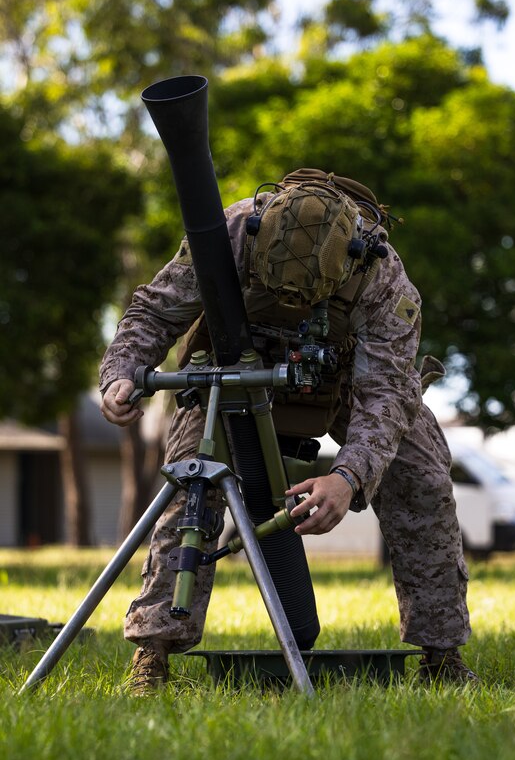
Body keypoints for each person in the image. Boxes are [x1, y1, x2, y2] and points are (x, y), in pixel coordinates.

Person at [100, 168, 479, 692]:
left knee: (422, 476)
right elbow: (155, 310)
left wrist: (347, 477)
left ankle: (443, 655)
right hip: (233, 363)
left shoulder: (383, 278)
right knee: (191, 484)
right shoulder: (227, 233)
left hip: (345, 374)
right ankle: (154, 656)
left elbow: (386, 396)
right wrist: (121, 372)